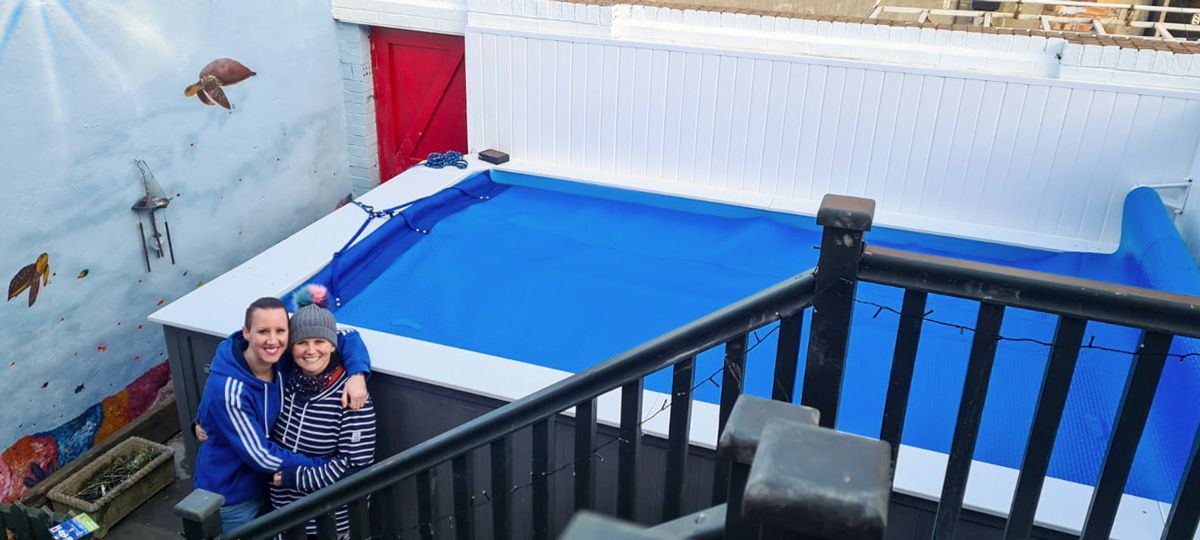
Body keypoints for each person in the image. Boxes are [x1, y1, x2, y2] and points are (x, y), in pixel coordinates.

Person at [192, 294, 372, 534]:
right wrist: (319, 468)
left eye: (280, 331)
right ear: (246, 332)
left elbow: (347, 334)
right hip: (233, 496)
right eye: (263, 331)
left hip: (283, 498)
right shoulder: (230, 391)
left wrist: (358, 373)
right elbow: (262, 456)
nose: (272, 340)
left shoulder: (282, 364)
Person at [268, 287, 376, 538]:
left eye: (319, 341)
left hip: (330, 523)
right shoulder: (285, 381)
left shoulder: (352, 396)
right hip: (284, 517)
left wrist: (294, 478)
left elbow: (354, 467)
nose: (311, 350)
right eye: (302, 342)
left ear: (332, 346)